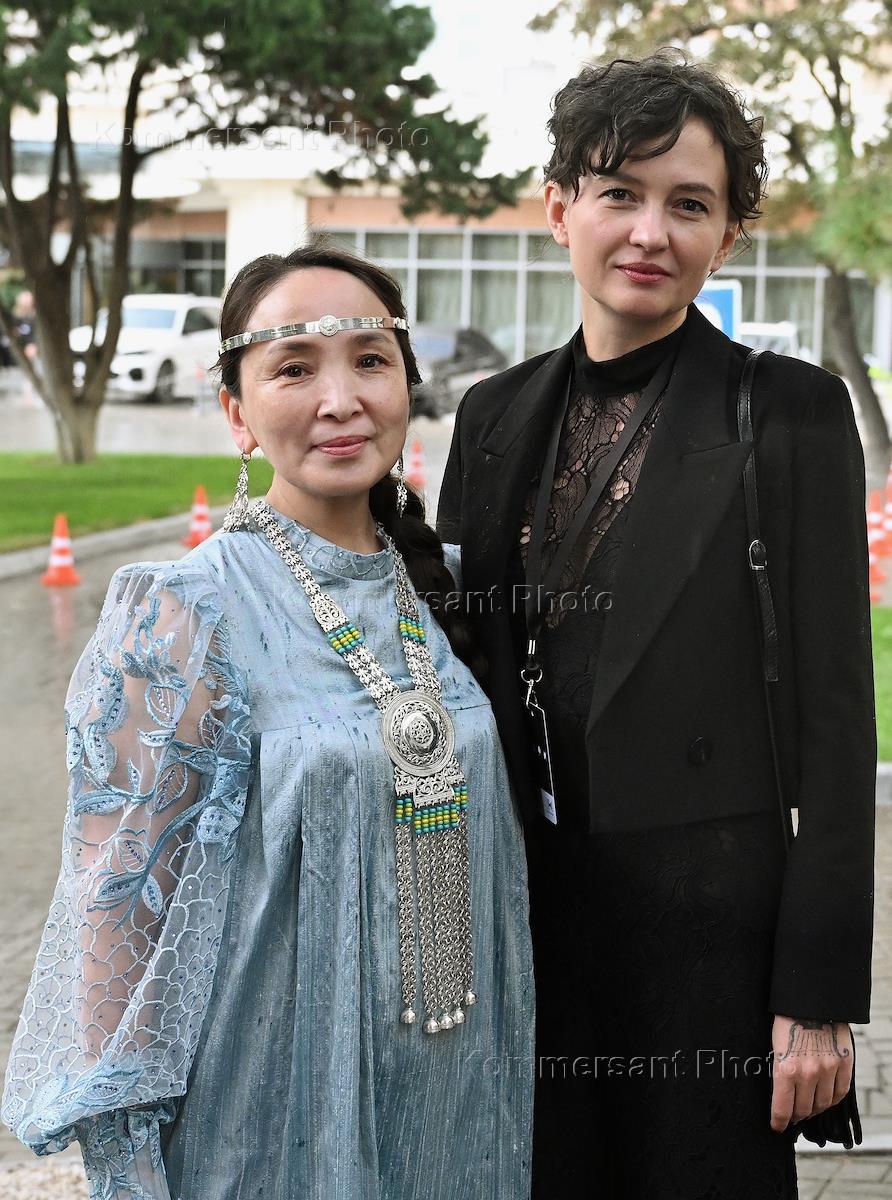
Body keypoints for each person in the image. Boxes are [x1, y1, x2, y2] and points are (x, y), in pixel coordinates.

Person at [2, 243, 534, 1200]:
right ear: (237, 415)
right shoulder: (184, 613)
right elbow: (117, 912)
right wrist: (127, 1155)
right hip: (267, 1111)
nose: (341, 399)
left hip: (460, 1095)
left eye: (369, 360)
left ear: (406, 385)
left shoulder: (452, 589)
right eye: (294, 368)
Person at [437, 52, 876, 1199]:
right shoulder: (490, 417)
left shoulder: (788, 411)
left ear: (726, 237)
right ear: (558, 210)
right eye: (618, 193)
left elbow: (838, 721)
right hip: (530, 927)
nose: (649, 231)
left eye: (688, 204)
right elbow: (454, 691)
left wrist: (818, 998)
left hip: (712, 940)